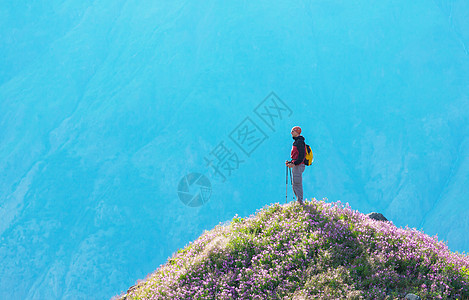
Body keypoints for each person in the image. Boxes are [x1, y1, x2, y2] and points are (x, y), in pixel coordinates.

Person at [285, 126, 306, 205]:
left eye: (292, 131)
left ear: (297, 132)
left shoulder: (299, 142)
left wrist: (294, 163)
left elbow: (301, 156)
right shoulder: (298, 142)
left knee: (297, 184)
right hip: (297, 165)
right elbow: (297, 156)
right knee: (295, 184)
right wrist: (291, 162)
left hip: (298, 166)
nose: (291, 133)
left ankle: (300, 203)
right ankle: (299, 201)